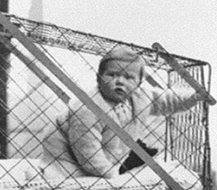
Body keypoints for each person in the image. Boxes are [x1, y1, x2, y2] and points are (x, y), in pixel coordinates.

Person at [40, 46, 208, 179]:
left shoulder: (141, 97)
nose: (119, 81)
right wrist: (111, 176)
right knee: (63, 176)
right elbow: (87, 151)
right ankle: (43, 173)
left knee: (105, 168)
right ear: (98, 77)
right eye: (112, 74)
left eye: (129, 78)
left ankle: (120, 164)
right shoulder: (87, 108)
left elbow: (168, 101)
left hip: (110, 149)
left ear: (139, 82)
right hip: (64, 149)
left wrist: (193, 98)